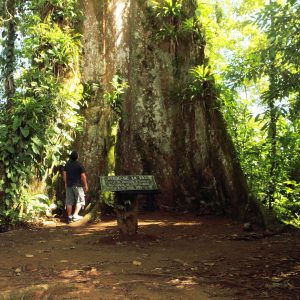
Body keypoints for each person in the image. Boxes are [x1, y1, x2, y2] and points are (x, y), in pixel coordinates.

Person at [63, 151, 88, 224]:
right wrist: (85, 185)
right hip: (78, 185)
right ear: (77, 157)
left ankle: (69, 217)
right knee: (80, 200)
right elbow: (83, 176)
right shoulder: (79, 165)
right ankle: (75, 215)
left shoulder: (67, 164)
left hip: (69, 185)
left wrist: (65, 183)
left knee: (69, 201)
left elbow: (65, 175)